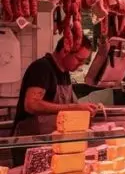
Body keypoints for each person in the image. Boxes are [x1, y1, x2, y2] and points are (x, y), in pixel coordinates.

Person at [13, 36, 97, 165]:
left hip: (52, 144)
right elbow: (31, 104)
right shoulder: (42, 68)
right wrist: (75, 108)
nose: (80, 65)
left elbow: (70, 104)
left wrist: (84, 110)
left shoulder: (64, 73)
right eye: (79, 60)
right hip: (32, 144)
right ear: (65, 51)